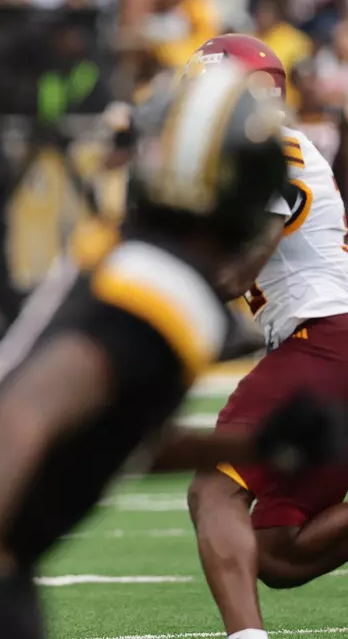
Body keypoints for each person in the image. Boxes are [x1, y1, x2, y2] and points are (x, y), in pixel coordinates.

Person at [0, 64, 345, 639]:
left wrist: (251, 444)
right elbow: (18, 421)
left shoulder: (154, 270)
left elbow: (118, 440)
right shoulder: (165, 290)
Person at [180, 36, 348, 639]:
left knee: (213, 487)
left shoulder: (268, 144)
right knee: (276, 552)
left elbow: (248, 259)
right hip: (327, 341)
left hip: (328, 335)